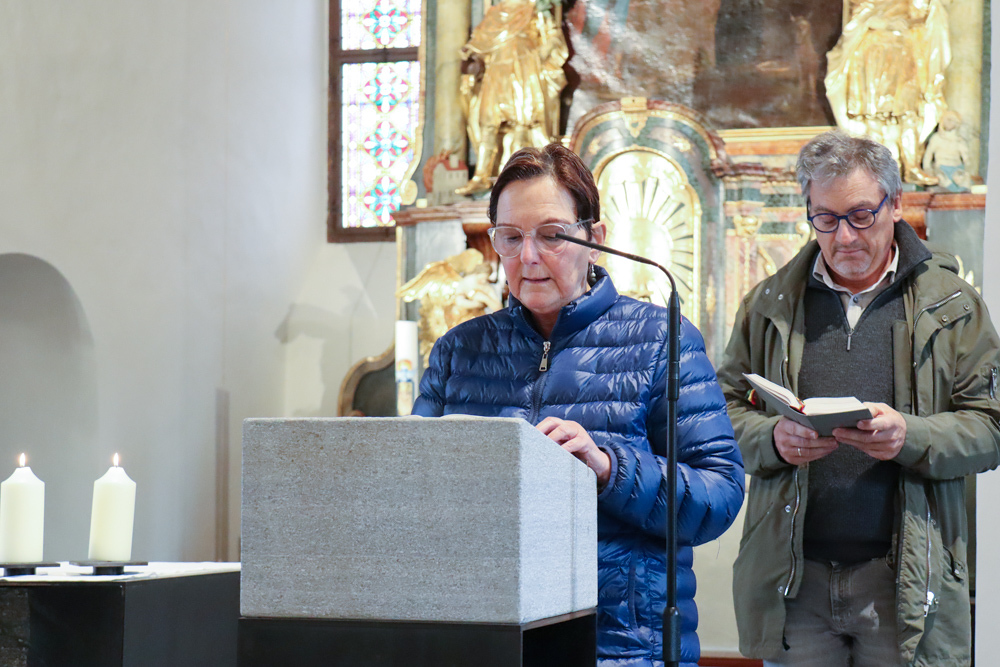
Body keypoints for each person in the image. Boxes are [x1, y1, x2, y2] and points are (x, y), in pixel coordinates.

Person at [414, 143, 745, 666]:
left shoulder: (662, 338)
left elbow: (720, 495)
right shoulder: (459, 350)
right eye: (511, 237)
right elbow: (411, 498)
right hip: (486, 638)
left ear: (594, 240)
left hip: (621, 646)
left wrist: (609, 469)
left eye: (551, 235)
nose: (528, 256)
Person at [717, 130, 1000, 666]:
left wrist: (910, 436)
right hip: (793, 581)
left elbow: (991, 425)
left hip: (905, 582)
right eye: (825, 218)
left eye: (861, 215)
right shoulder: (769, 304)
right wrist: (772, 439)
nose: (844, 236)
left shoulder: (953, 305)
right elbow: (719, 414)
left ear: (895, 204)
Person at [824, 0, 950, 185]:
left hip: (905, 54)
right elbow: (858, 18)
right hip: (873, 54)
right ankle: (877, 169)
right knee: (874, 115)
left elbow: (924, 14)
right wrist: (884, 23)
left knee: (909, 113)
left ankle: (911, 167)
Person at [455, 0, 567, 196]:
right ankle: (481, 176)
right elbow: (480, 45)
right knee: (488, 121)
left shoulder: (534, 7)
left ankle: (537, 175)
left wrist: (537, 57)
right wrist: (472, 57)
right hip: (497, 72)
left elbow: (553, 36)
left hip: (525, 70)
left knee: (524, 122)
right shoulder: (494, 14)